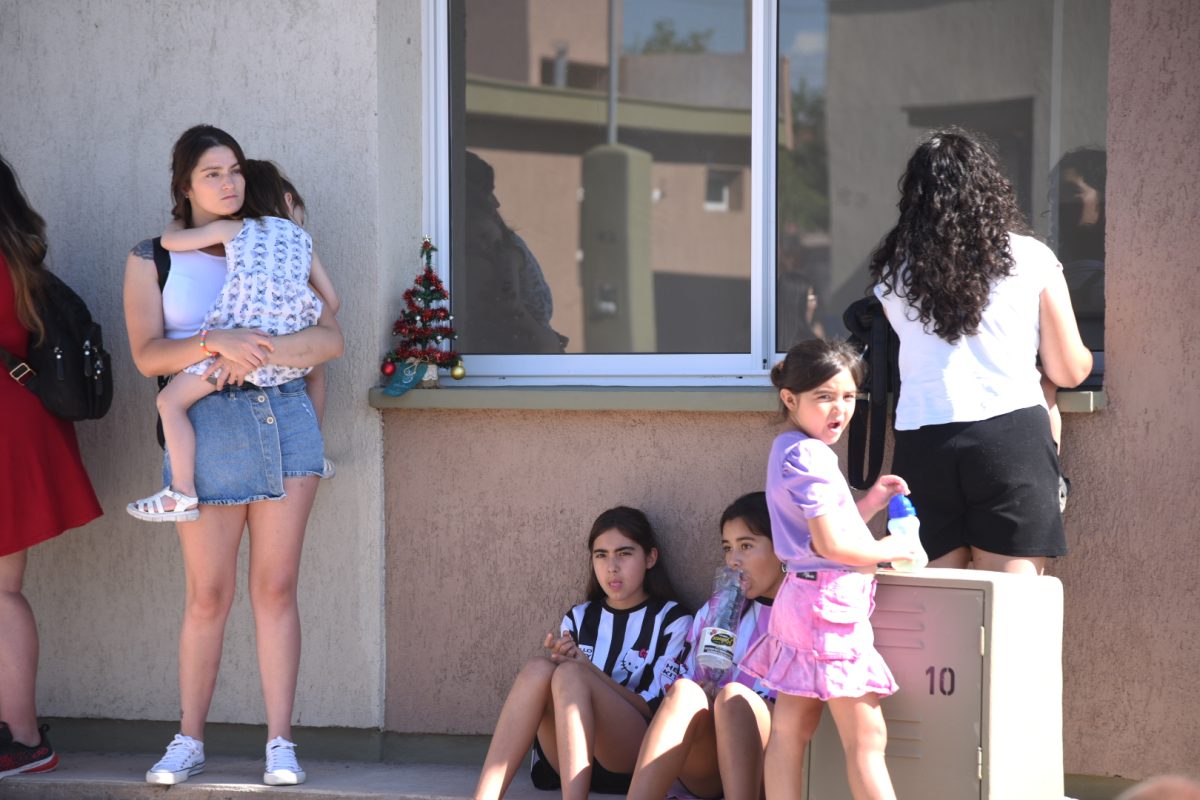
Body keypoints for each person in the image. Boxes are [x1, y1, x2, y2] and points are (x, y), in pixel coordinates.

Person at [123, 125, 343, 786]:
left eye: (235, 170)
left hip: (287, 417)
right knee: (208, 595)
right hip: (208, 425)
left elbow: (329, 338)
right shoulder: (152, 257)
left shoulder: (275, 238)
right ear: (184, 186)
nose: (228, 183)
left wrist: (260, 351)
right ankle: (189, 740)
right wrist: (217, 341)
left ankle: (281, 744)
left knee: (275, 588)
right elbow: (148, 357)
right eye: (212, 173)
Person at [869, 129, 1092, 574]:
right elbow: (1069, 370)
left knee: (934, 606)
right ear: (990, 190)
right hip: (1010, 435)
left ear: (915, 197)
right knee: (1011, 605)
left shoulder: (896, 272)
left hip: (923, 439)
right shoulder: (1030, 256)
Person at [737, 339, 921, 800]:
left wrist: (871, 502)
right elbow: (831, 545)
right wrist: (889, 550)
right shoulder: (811, 455)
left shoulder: (789, 446)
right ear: (790, 398)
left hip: (802, 601)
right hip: (827, 610)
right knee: (866, 737)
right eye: (824, 396)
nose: (839, 409)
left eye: (849, 396)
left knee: (790, 732)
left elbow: (822, 536)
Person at [126, 161, 336, 523]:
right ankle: (316, 450)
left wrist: (178, 220)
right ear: (288, 201)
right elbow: (331, 301)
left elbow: (171, 241)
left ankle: (182, 491)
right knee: (314, 373)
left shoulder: (235, 230)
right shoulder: (302, 240)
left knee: (170, 401)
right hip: (281, 359)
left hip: (231, 355)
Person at [0, 154, 103, 779]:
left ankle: (23, 741)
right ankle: (23, 737)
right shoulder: (20, 259)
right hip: (20, 421)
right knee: (4, 590)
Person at [473, 506, 691, 800]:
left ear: (650, 558)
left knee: (572, 674)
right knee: (539, 669)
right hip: (566, 757)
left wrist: (588, 671)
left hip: (633, 758)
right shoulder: (578, 618)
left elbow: (654, 709)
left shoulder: (673, 620)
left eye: (624, 553)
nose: (611, 567)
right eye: (601, 555)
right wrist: (564, 668)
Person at [627, 492, 821, 800]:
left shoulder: (809, 614)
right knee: (685, 691)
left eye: (746, 546)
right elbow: (686, 679)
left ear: (783, 547)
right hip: (708, 765)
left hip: (772, 764)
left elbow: (806, 718)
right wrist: (704, 691)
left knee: (733, 698)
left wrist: (729, 699)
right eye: (728, 548)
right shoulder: (719, 609)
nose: (733, 560)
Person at [462, 151, 567, 354]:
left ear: (494, 220)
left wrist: (543, 338)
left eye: (484, 235)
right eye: (476, 241)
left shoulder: (508, 255)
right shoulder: (491, 253)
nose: (483, 245)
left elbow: (511, 303)